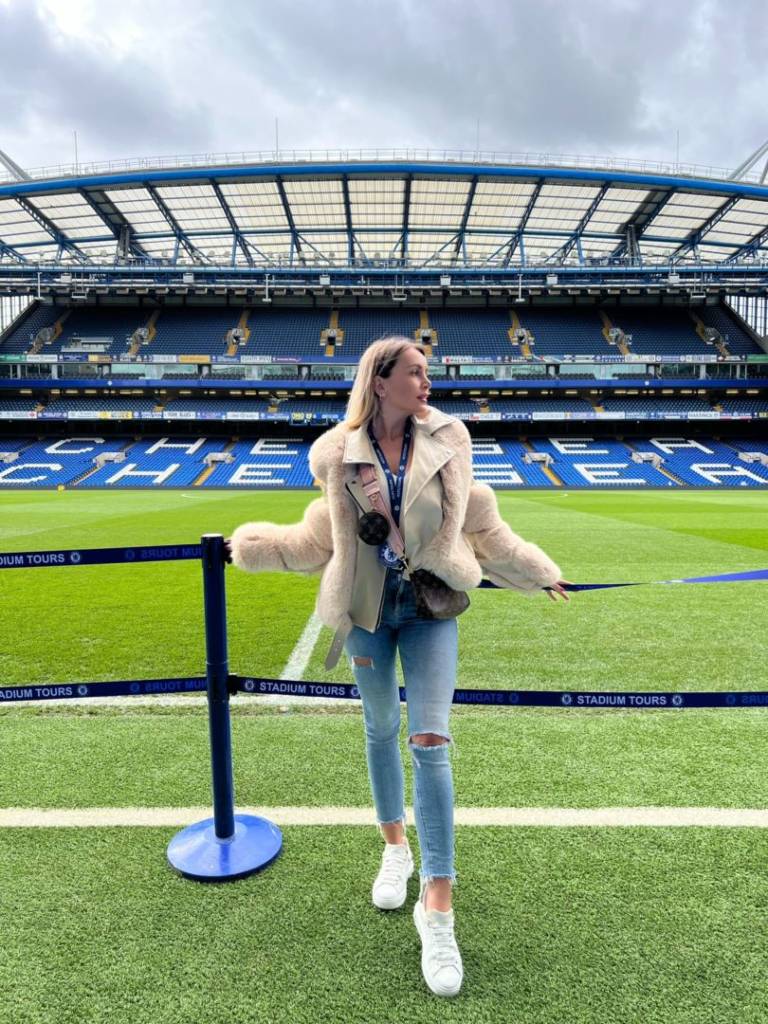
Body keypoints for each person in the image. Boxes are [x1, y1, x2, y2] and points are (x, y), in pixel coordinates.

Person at [225, 336, 571, 998]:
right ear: (380, 382)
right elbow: (318, 539)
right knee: (381, 728)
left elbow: (485, 530)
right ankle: (394, 848)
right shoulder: (338, 454)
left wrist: (539, 572)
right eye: (415, 372)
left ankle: (437, 905)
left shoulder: (448, 443)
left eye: (427, 372)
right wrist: (252, 548)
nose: (427, 382)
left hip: (430, 610)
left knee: (431, 743)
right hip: (365, 614)